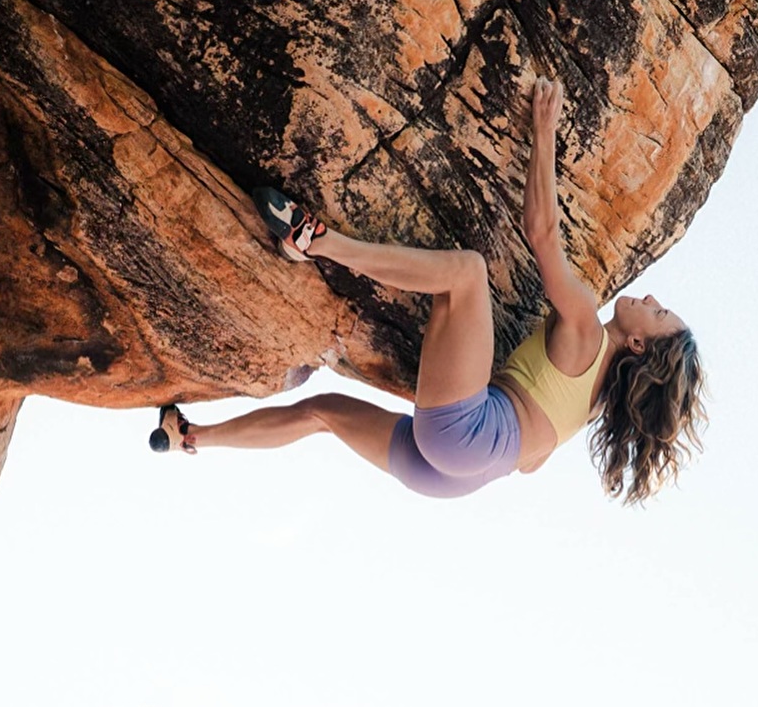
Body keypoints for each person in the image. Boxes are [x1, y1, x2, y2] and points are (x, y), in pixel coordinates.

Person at [149, 77, 706, 504]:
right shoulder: (591, 405)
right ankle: (191, 438)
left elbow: (542, 232)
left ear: (639, 346)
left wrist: (544, 129)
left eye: (660, 316)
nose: (654, 301)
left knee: (466, 274)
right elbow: (530, 459)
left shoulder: (587, 324)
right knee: (319, 413)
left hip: (466, 437)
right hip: (455, 478)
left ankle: (315, 242)